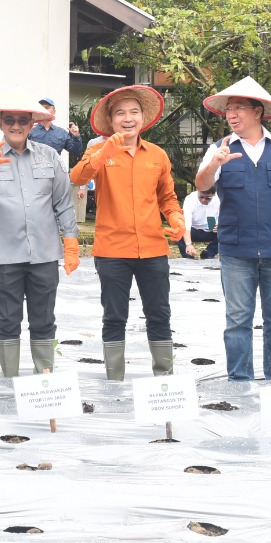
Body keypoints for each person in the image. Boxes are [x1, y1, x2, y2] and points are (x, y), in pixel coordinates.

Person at [194, 77, 271, 382]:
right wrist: (214, 164)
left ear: (258, 112)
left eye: (239, 108)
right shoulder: (219, 149)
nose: (231, 114)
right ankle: (239, 381)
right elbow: (202, 186)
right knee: (238, 320)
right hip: (236, 249)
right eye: (228, 109)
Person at [70, 84, 182, 380]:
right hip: (112, 250)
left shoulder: (157, 155)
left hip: (153, 249)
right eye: (120, 113)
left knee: (160, 314)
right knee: (114, 316)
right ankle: (114, 379)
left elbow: (167, 197)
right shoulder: (98, 150)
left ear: (143, 117)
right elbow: (77, 177)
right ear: (110, 120)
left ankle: (164, 379)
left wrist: (176, 218)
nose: (127, 118)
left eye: (134, 112)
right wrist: (102, 152)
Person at [0, 93, 78, 377]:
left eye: (22, 121)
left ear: (31, 124)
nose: (16, 126)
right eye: (10, 120)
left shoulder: (48, 155)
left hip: (44, 253)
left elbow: (63, 201)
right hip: (5, 255)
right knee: (7, 319)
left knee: (44, 319)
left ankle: (44, 381)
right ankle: (9, 380)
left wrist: (71, 238)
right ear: (0, 124)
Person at [179, 187, 220, 259]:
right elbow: (186, 224)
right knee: (178, 229)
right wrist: (188, 244)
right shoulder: (190, 199)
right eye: (201, 197)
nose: (203, 200)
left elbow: (224, 217)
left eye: (208, 198)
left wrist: (220, 225)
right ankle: (187, 256)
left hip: (210, 230)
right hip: (193, 229)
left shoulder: (219, 199)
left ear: (214, 194)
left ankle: (209, 253)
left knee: (227, 230)